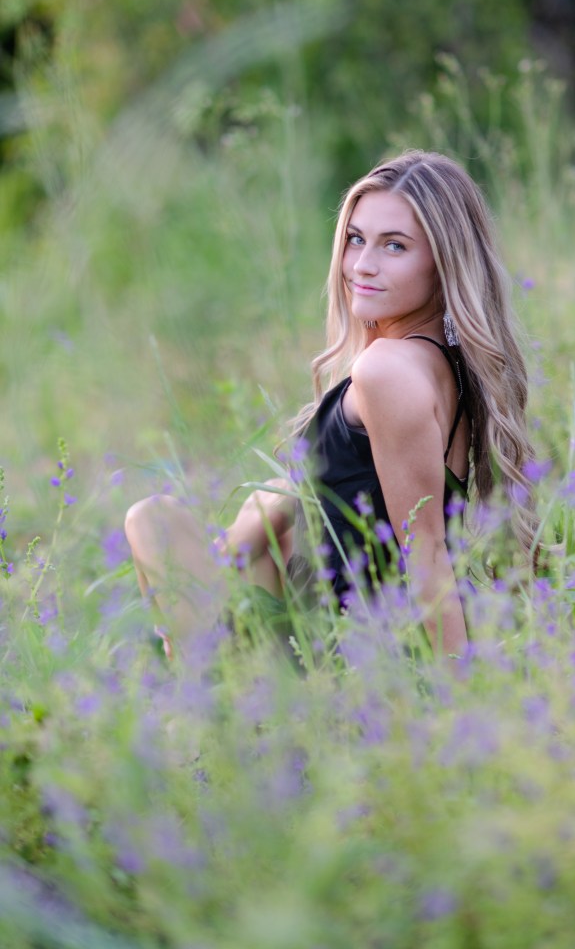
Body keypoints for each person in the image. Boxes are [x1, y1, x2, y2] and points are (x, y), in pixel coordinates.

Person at [124, 150, 537, 663]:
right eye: (356, 239)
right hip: (338, 628)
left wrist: (456, 707)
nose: (362, 265)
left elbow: (425, 551)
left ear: (444, 262)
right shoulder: (441, 364)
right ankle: (190, 686)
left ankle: (197, 710)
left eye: (395, 246)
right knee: (257, 506)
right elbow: (335, 498)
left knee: (152, 518)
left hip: (342, 658)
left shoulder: (387, 371)